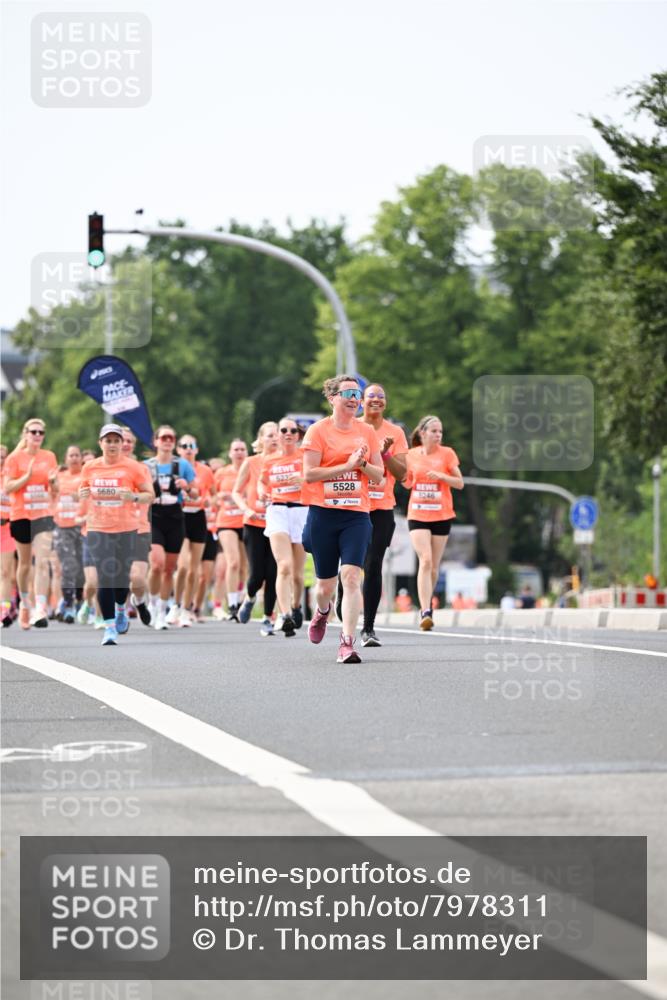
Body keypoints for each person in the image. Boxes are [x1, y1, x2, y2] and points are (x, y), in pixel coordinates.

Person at [301, 375, 384, 663]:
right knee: (325, 586)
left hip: (356, 515)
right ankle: (323, 611)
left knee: (351, 577)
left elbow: (380, 478)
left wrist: (361, 464)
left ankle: (347, 643)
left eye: (357, 393)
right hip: (323, 514)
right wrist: (345, 466)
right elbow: (309, 474)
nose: (354, 398)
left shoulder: (366, 432)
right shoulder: (317, 431)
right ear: (332, 398)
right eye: (347, 392)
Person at [79, 424, 154, 645]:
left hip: (127, 528)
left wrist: (133, 497)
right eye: (108, 440)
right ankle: (109, 627)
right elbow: (83, 490)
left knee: (122, 579)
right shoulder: (89, 467)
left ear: (122, 444)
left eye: (116, 440)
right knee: (105, 576)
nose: (112, 444)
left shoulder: (133, 468)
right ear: (100, 443)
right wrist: (80, 492)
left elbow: (149, 495)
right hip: (97, 528)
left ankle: (122, 607)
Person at [357, 383, 409, 647]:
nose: (376, 400)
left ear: (385, 403)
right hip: (352, 506)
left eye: (381, 397)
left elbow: (402, 474)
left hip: (381, 508)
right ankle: (345, 606)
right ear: (360, 402)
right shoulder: (351, 428)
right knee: (351, 566)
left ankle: (368, 628)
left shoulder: (395, 432)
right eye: (371, 396)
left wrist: (386, 452)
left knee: (373, 564)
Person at [403, 415, 463, 631]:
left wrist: (441, 476)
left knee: (434, 567)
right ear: (422, 433)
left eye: (440, 432)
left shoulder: (447, 454)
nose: (438, 435)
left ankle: (428, 605)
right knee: (425, 560)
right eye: (434, 431)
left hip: (442, 514)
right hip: (418, 514)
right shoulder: (411, 455)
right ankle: (425, 610)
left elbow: (460, 483)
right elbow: (408, 482)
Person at [3, 418, 59, 629]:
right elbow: (8, 487)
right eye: (33, 432)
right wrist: (26, 477)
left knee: (42, 561)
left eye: (40, 432)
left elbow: (55, 489)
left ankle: (40, 608)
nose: (37, 436)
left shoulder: (49, 457)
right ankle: (25, 604)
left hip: (42, 514)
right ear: (25, 434)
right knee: (25, 564)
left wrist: (54, 482)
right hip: (20, 516)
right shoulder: (14, 458)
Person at [145, 425, 197, 630]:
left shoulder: (182, 464)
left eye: (171, 438)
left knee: (168, 569)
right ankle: (152, 603)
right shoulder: (146, 466)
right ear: (156, 441)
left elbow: (195, 493)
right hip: (155, 516)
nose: (167, 441)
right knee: (156, 564)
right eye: (163, 437)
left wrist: (187, 487)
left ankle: (161, 611)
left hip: (175, 516)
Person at [259, 416, 308, 637]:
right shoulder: (269, 460)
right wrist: (262, 492)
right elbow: (262, 481)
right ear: (278, 434)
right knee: (285, 566)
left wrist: (305, 481)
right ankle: (285, 614)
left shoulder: (305, 456)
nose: (288, 434)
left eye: (293, 431)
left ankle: (296, 606)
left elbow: (318, 478)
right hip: (277, 510)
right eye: (284, 430)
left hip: (300, 511)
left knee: (297, 574)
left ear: (298, 436)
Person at [232, 422, 279, 634]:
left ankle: (268, 618)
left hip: (278, 524)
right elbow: (236, 492)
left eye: (277, 434)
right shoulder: (251, 462)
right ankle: (249, 597)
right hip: (254, 524)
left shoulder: (284, 462)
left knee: (273, 573)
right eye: (270, 435)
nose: (275, 438)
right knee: (257, 574)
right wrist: (246, 509)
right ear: (260, 440)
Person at [173, 434, 215, 627]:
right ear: (178, 450)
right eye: (184, 445)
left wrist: (209, 502)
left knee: (193, 571)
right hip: (179, 516)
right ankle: (174, 605)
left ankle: (186, 608)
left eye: (192, 445)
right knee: (182, 566)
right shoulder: (174, 468)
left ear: (196, 450)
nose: (188, 448)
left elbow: (214, 495)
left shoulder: (205, 471)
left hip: (198, 517)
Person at [214, 439, 248, 621]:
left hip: (246, 521)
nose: (239, 452)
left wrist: (243, 497)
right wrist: (220, 496)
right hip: (226, 521)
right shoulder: (221, 473)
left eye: (242, 449)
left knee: (245, 566)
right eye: (236, 449)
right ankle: (232, 604)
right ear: (230, 453)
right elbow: (211, 496)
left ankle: (242, 596)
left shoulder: (251, 469)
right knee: (233, 562)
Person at [121, 429, 152, 626]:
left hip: (139, 527)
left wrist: (132, 497)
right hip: (112, 528)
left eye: (129, 441)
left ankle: (138, 601)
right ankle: (119, 613)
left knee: (138, 578)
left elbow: (150, 495)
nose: (125, 444)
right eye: (121, 440)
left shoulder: (142, 469)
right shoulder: (103, 469)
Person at [53, 445, 85, 623]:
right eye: (70, 455)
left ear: (81, 458)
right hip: (62, 527)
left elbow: (89, 496)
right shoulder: (59, 476)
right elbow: (52, 493)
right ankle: (67, 603)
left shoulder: (85, 476)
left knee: (81, 567)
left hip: (81, 526)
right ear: (66, 459)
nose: (73, 458)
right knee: (68, 566)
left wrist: (77, 496)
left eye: (76, 455)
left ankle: (80, 600)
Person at [1, 445, 18, 627]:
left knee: (6, 572)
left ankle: (4, 609)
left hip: (6, 528)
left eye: (2, 457)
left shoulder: (10, 479)